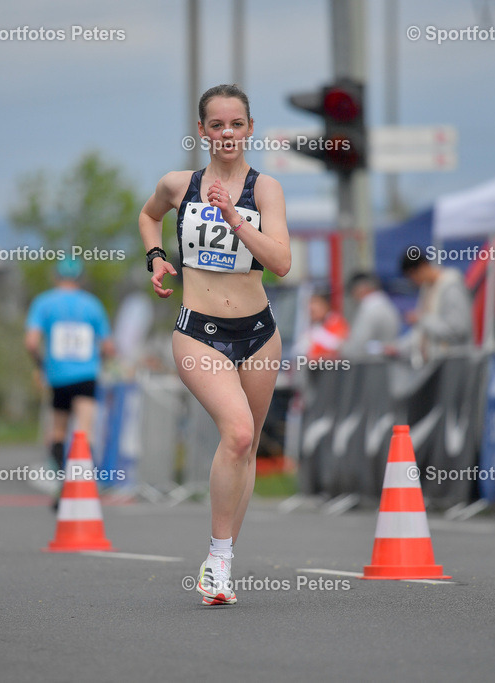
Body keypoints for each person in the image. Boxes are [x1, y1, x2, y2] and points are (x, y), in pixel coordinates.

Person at [139, 84, 291, 606]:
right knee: (239, 431)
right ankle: (219, 559)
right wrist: (156, 257)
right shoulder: (178, 184)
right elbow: (147, 215)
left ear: (250, 129)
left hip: (258, 332)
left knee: (245, 448)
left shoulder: (264, 189)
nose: (227, 134)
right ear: (201, 131)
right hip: (198, 328)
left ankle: (223, 557)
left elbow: (281, 262)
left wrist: (232, 218)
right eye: (217, 125)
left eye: (236, 124)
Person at [25, 258, 114, 489]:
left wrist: (41, 364)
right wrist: (100, 361)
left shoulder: (43, 302)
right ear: (81, 279)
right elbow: (107, 346)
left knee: (57, 430)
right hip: (86, 375)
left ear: (56, 277)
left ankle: (60, 481)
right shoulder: (93, 304)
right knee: (84, 429)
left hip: (57, 376)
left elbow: (32, 343)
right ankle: (83, 483)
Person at [393, 251, 473, 364]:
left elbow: (458, 329)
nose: (414, 282)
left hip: (454, 363)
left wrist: (422, 320)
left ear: (422, 267)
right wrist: (398, 348)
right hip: (435, 364)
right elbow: (421, 334)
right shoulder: (427, 289)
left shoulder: (451, 287)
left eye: (412, 277)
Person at [338, 273, 399, 360]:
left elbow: (358, 344)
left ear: (360, 289)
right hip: (383, 361)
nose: (353, 298)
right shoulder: (384, 303)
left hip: (374, 364)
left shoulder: (370, 308)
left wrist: (341, 350)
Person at [299, 290, 349, 361]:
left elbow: (339, 346)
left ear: (325, 304)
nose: (311, 307)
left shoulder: (336, 321)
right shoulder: (311, 326)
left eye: (315, 302)